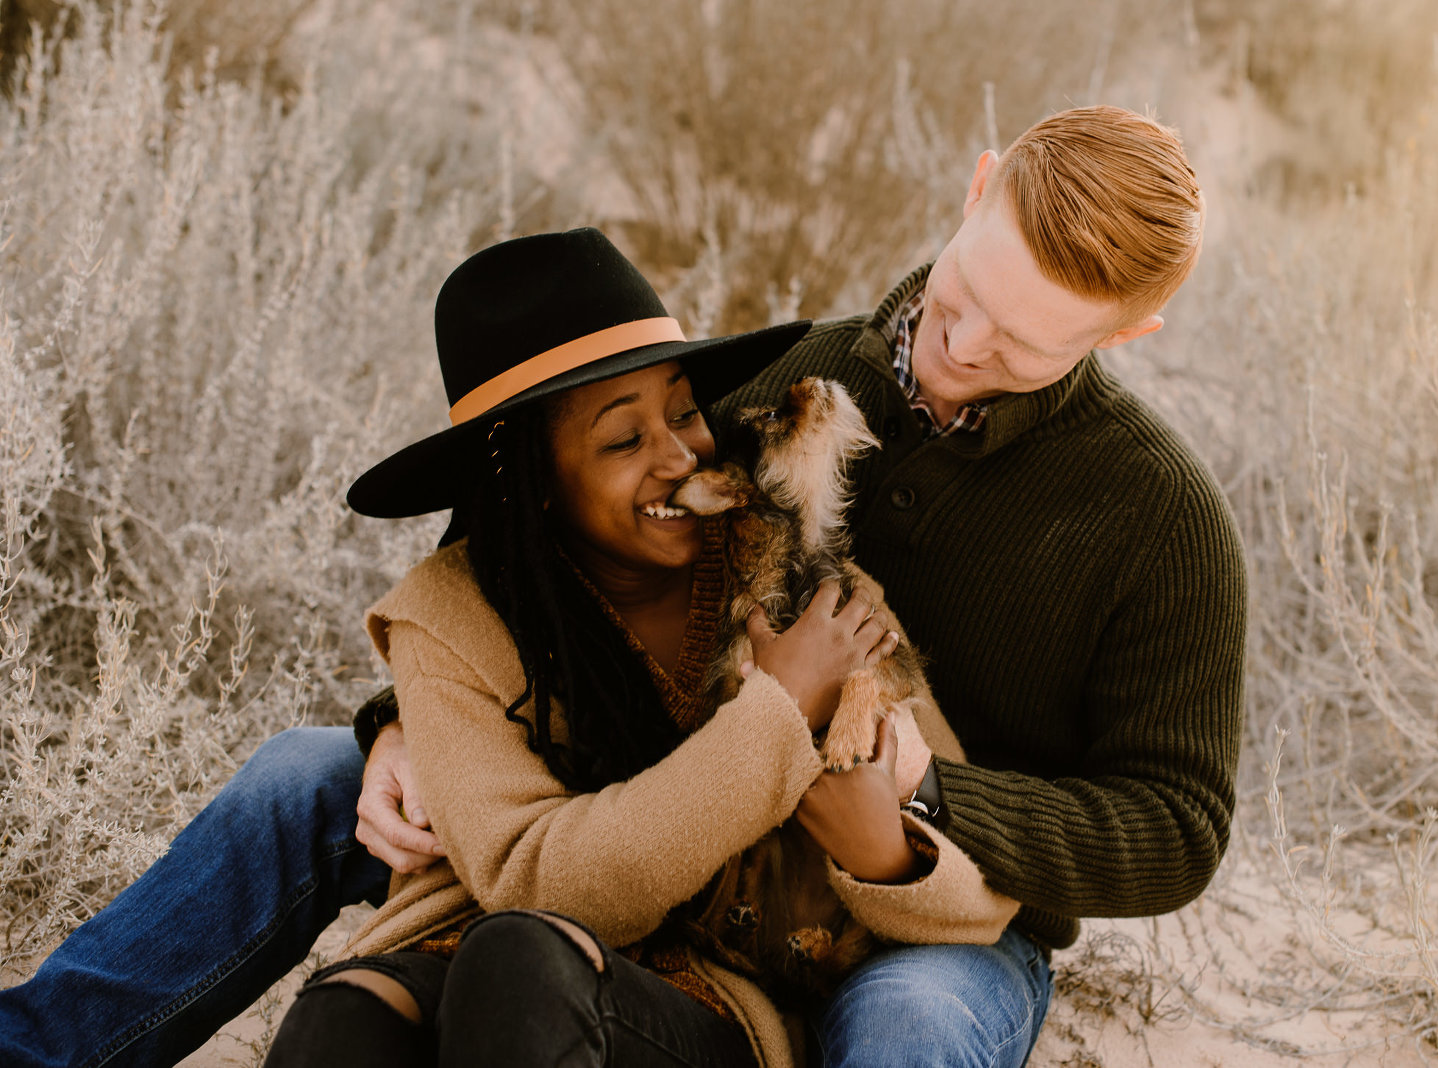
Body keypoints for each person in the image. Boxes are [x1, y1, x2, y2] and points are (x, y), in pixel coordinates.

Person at [0, 104, 1245, 1068]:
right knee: (303, 775)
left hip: (936, 887)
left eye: (1024, 341)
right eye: (966, 293)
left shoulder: (1156, 519)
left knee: (911, 1027)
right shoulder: (790, 382)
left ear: (1123, 336)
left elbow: (1178, 829)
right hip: (677, 800)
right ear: (975, 191)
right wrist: (407, 725)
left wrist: (922, 790)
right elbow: (559, 545)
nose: (967, 345)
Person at [255, 228, 1015, 1066]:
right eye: (622, 440)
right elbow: (536, 883)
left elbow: (983, 895)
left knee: (518, 969)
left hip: (694, 997)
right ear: (532, 482)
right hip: (469, 945)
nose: (678, 453)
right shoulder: (449, 613)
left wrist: (885, 851)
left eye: (685, 411)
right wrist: (779, 715)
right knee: (344, 1021)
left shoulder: (806, 590)